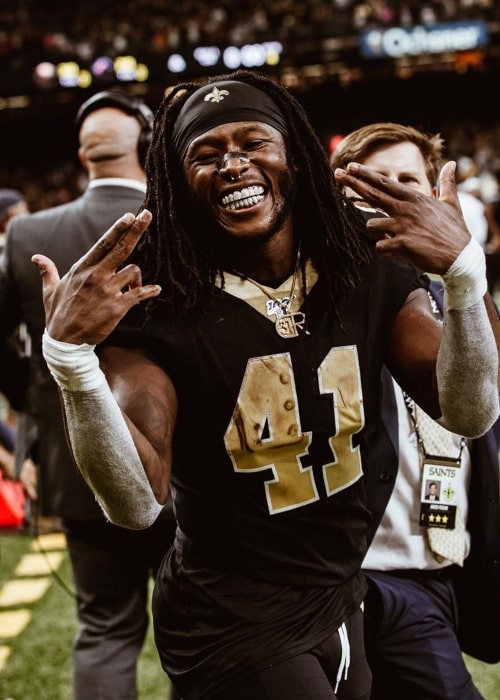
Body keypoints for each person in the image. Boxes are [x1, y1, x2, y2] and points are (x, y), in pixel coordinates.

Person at [32, 70, 499, 700]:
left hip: (340, 591)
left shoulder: (360, 258)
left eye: (254, 143)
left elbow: (468, 413)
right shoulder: (150, 297)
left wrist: (467, 275)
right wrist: (71, 361)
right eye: (205, 153)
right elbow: (137, 504)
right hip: (230, 610)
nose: (232, 163)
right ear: (176, 181)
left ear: (296, 154)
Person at [0, 90, 178, 700]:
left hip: (76, 461)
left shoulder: (29, 231)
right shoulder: (183, 222)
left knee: (104, 628)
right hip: (185, 461)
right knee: (208, 629)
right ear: (147, 145)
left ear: (82, 154)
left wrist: (33, 414)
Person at [330, 121, 500, 700]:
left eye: (407, 181)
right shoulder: (315, 300)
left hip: (438, 565)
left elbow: (488, 402)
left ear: (433, 200)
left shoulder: (455, 295)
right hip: (358, 572)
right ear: (340, 195)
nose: (391, 194)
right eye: (373, 182)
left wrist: (463, 270)